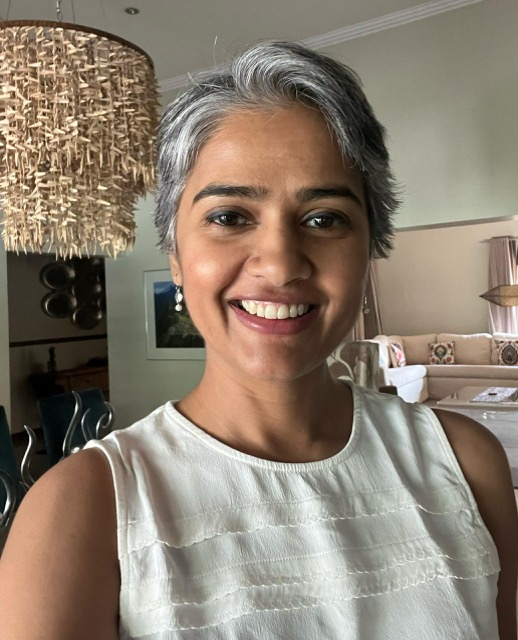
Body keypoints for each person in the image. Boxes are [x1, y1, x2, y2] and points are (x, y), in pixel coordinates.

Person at [0, 40, 516, 640]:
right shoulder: (84, 509)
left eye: (324, 218)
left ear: (369, 249)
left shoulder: (465, 462)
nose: (280, 263)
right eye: (229, 216)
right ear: (175, 254)